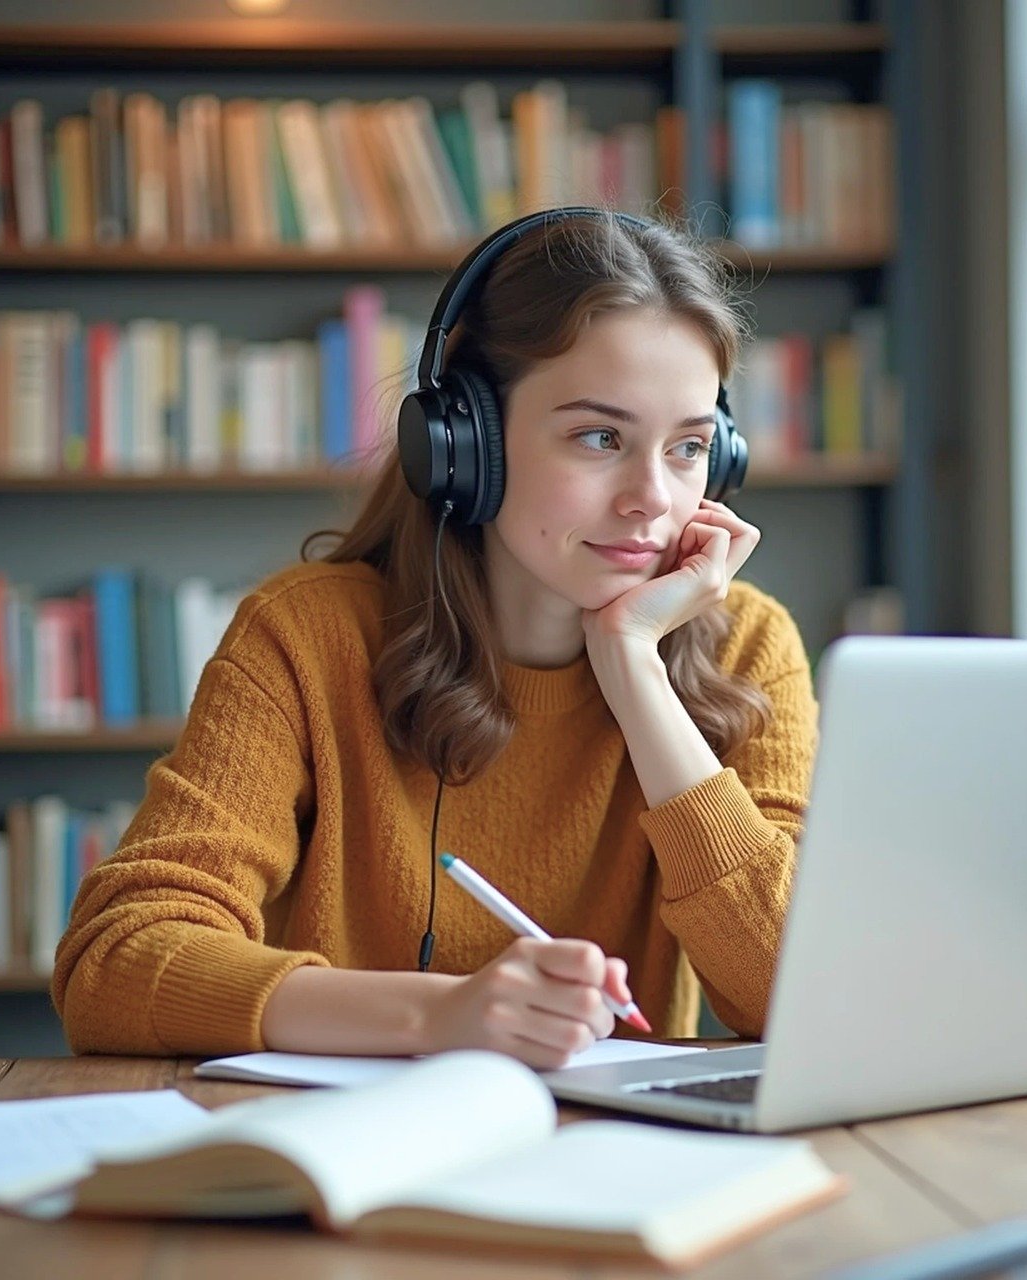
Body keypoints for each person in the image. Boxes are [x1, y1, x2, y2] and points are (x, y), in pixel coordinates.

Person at [52, 207, 820, 1069]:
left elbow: (798, 998)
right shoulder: (308, 637)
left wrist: (635, 670)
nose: (653, 497)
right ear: (465, 443)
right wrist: (439, 1016)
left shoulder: (748, 645)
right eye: (599, 437)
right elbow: (115, 966)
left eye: (687, 448)